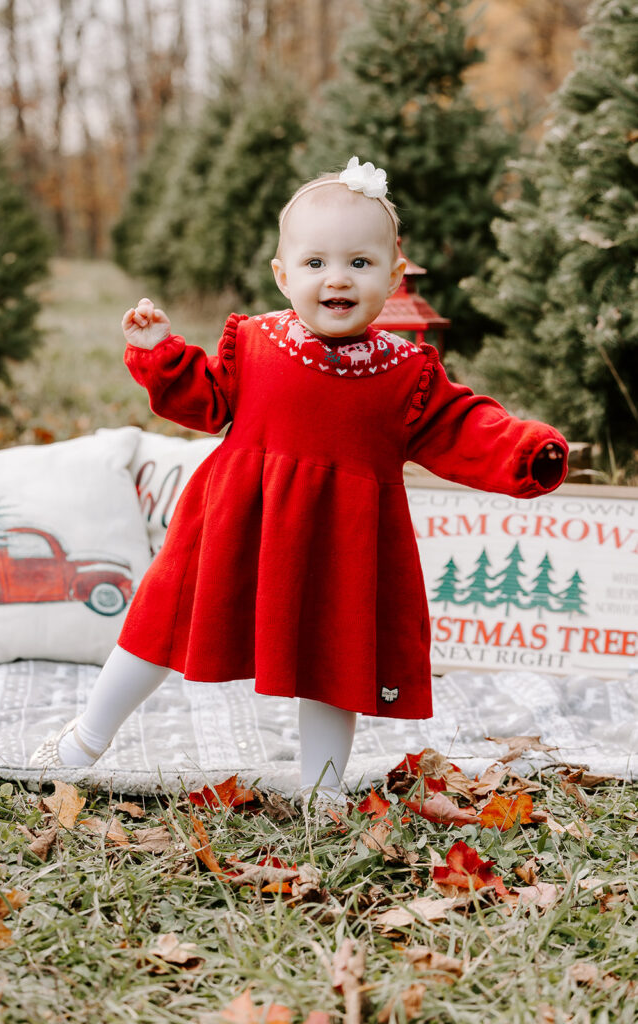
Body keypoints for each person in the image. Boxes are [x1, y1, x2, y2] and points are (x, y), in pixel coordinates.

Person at [30, 156, 568, 813]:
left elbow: (465, 425)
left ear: (394, 278)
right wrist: (161, 353)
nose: (336, 278)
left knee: (331, 654)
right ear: (283, 275)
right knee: (160, 627)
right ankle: (85, 740)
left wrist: (525, 451)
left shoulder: (407, 373)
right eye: (314, 264)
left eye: (359, 264)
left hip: (340, 543)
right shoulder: (254, 343)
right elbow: (202, 398)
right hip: (231, 526)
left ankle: (323, 787)